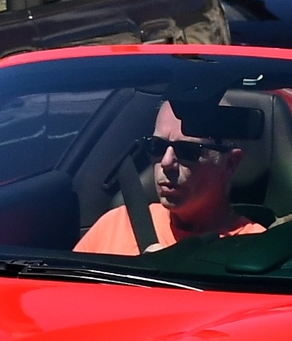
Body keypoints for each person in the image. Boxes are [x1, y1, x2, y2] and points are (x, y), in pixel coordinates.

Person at [76, 99, 267, 255]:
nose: (166, 162)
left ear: (230, 164)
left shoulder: (255, 250)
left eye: (187, 151)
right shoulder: (117, 224)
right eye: (157, 146)